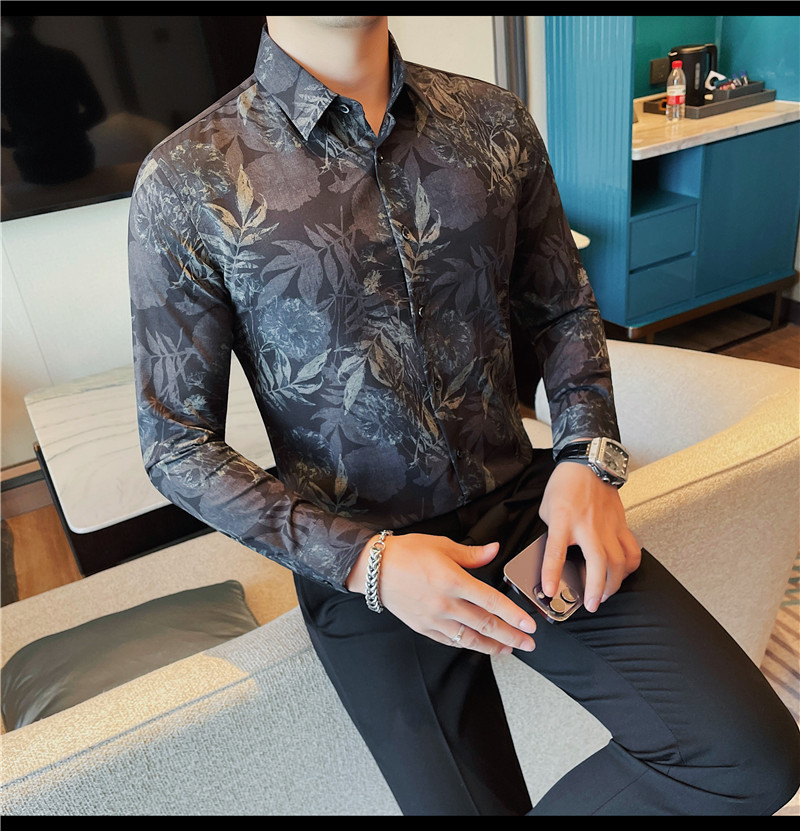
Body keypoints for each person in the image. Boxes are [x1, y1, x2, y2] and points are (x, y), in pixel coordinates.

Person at [128, 16, 800, 815]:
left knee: (749, 755)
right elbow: (176, 443)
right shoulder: (187, 178)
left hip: (522, 506)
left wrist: (589, 453)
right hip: (366, 559)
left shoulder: (492, 119)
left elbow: (560, 307)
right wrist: (368, 564)